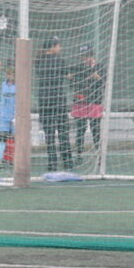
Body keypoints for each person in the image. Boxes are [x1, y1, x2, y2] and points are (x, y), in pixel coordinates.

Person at [35, 39, 77, 171]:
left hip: (44, 100)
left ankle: (52, 163)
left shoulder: (39, 61)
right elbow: (69, 76)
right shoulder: (59, 60)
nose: (60, 48)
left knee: (49, 134)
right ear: (52, 47)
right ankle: (67, 161)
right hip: (58, 100)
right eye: (58, 46)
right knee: (63, 131)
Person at [69, 50, 108, 161]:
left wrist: (97, 77)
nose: (86, 59)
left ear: (92, 56)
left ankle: (99, 155)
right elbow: (72, 85)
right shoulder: (78, 68)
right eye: (84, 56)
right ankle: (79, 155)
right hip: (81, 102)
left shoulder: (100, 67)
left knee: (95, 130)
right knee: (80, 130)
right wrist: (72, 79)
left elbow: (104, 83)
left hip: (95, 102)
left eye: (88, 56)